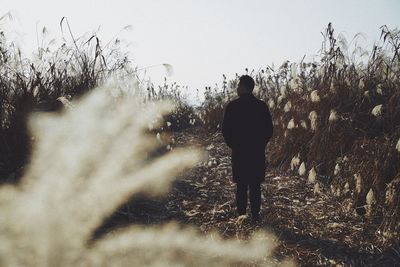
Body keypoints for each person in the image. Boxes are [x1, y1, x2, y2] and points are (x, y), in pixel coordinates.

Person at [222, 75, 273, 222]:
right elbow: (269, 130)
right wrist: (260, 144)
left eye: (238, 85)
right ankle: (255, 215)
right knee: (255, 185)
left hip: (239, 152)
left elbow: (225, 130)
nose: (237, 88)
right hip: (256, 152)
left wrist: (234, 145)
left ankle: (241, 215)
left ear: (244, 87)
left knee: (241, 185)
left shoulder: (232, 106)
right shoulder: (261, 106)